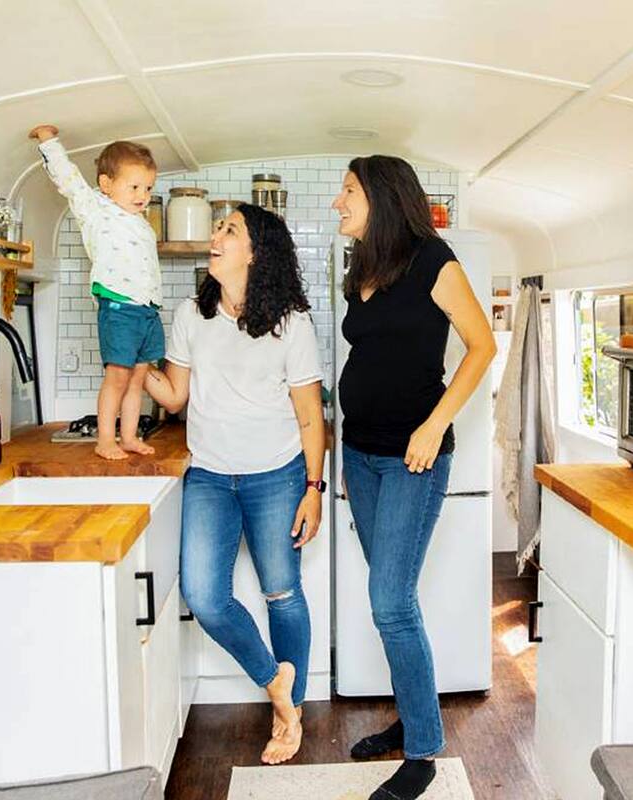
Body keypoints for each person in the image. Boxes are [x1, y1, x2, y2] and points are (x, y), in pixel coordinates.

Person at [332, 156, 495, 800]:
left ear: (379, 195)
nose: (337, 203)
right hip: (361, 455)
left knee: (389, 602)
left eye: (347, 191)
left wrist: (432, 425)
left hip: (413, 458)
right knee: (393, 599)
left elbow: (482, 345)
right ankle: (415, 713)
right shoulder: (360, 269)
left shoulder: (435, 259)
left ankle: (424, 751)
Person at [144, 203, 325, 765]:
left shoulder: (291, 322)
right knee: (203, 595)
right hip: (210, 477)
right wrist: (129, 363)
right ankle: (279, 686)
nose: (215, 237)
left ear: (256, 252)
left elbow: (311, 416)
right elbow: (175, 397)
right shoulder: (189, 315)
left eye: (229, 230)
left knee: (283, 593)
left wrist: (313, 488)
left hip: (278, 473)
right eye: (217, 227)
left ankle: (285, 718)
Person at [30, 123, 162, 460]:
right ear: (106, 184)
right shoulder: (96, 211)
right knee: (117, 376)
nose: (142, 195)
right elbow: (68, 178)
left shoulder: (142, 223)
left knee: (138, 379)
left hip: (147, 310)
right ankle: (105, 439)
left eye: (147, 187)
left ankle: (129, 436)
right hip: (118, 307)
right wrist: (49, 141)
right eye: (134, 186)